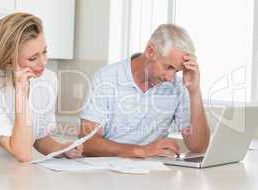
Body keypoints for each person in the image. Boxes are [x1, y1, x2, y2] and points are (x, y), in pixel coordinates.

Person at [0, 12, 82, 163]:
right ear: (9, 60)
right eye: (33, 58)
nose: (43, 62)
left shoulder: (47, 79)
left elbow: (39, 138)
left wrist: (62, 149)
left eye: (44, 51)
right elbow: (23, 153)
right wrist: (21, 92)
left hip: (8, 171)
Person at [80, 24, 210, 158]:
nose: (171, 77)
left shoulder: (178, 86)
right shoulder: (106, 78)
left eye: (177, 71)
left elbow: (198, 147)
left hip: (152, 172)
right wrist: (142, 151)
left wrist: (194, 92)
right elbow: (88, 143)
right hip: (106, 171)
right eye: (168, 67)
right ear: (150, 52)